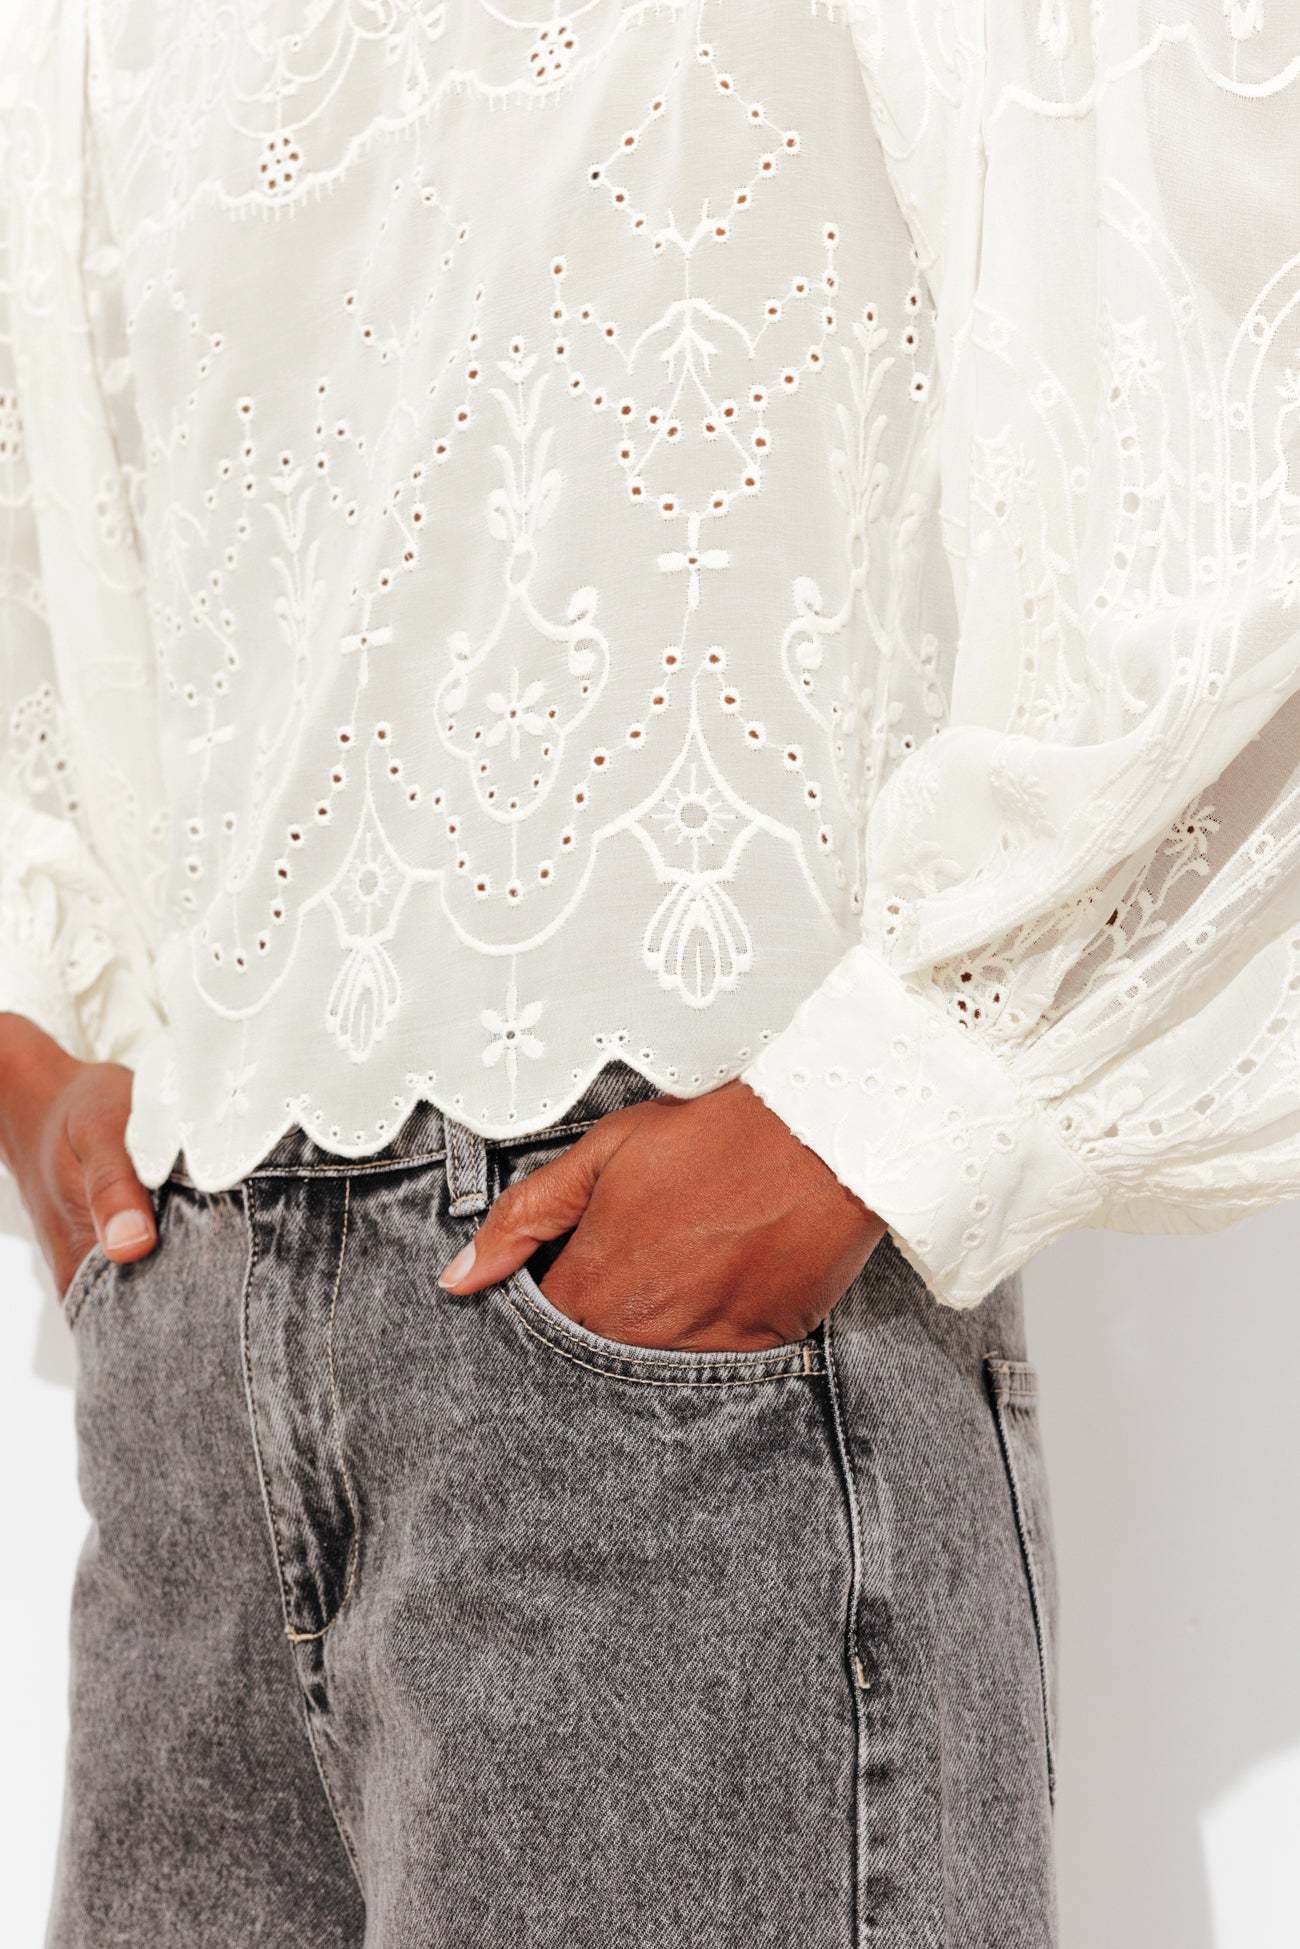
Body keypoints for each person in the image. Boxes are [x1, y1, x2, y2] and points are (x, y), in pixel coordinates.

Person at [1, 2, 1296, 1943]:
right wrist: (32, 1017)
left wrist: (894, 1103)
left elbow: (1221, 272)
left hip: (651, 1363)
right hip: (188, 1345)